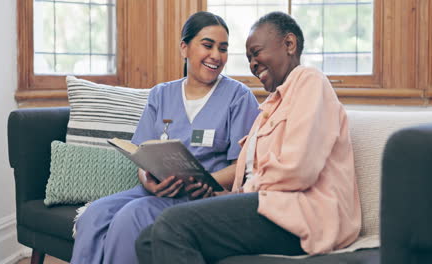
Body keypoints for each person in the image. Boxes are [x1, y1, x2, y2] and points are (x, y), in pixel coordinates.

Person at [135, 11, 362, 264]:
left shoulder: (309, 80)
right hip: (268, 208)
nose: (253, 64)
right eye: (249, 58)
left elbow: (298, 170)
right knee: (148, 239)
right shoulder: (270, 107)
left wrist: (237, 196)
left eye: (257, 53)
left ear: (289, 44)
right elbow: (256, 175)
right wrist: (226, 195)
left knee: (171, 225)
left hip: (301, 216)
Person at [70, 11, 260, 264]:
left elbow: (241, 167)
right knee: (94, 214)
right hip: (156, 191)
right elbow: (141, 154)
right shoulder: (161, 95)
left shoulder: (238, 97)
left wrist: (205, 182)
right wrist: (148, 181)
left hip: (201, 198)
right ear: (185, 47)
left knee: (131, 217)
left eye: (223, 48)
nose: (216, 55)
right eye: (207, 45)